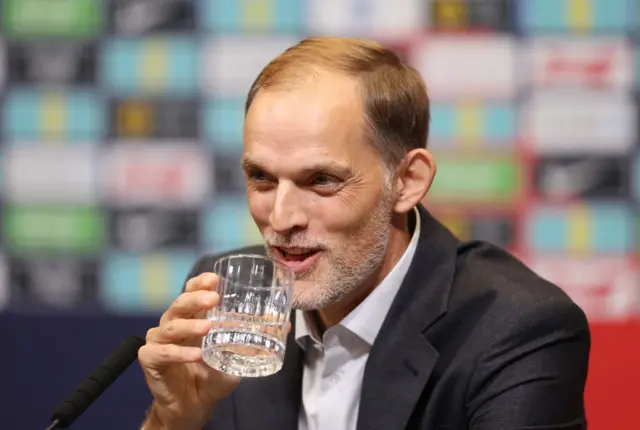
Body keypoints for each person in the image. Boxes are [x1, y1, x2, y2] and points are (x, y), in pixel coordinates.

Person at [137, 37, 591, 430]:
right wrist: (175, 419)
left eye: (321, 180)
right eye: (262, 178)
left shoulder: (515, 328)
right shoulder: (225, 299)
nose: (280, 217)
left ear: (408, 181)